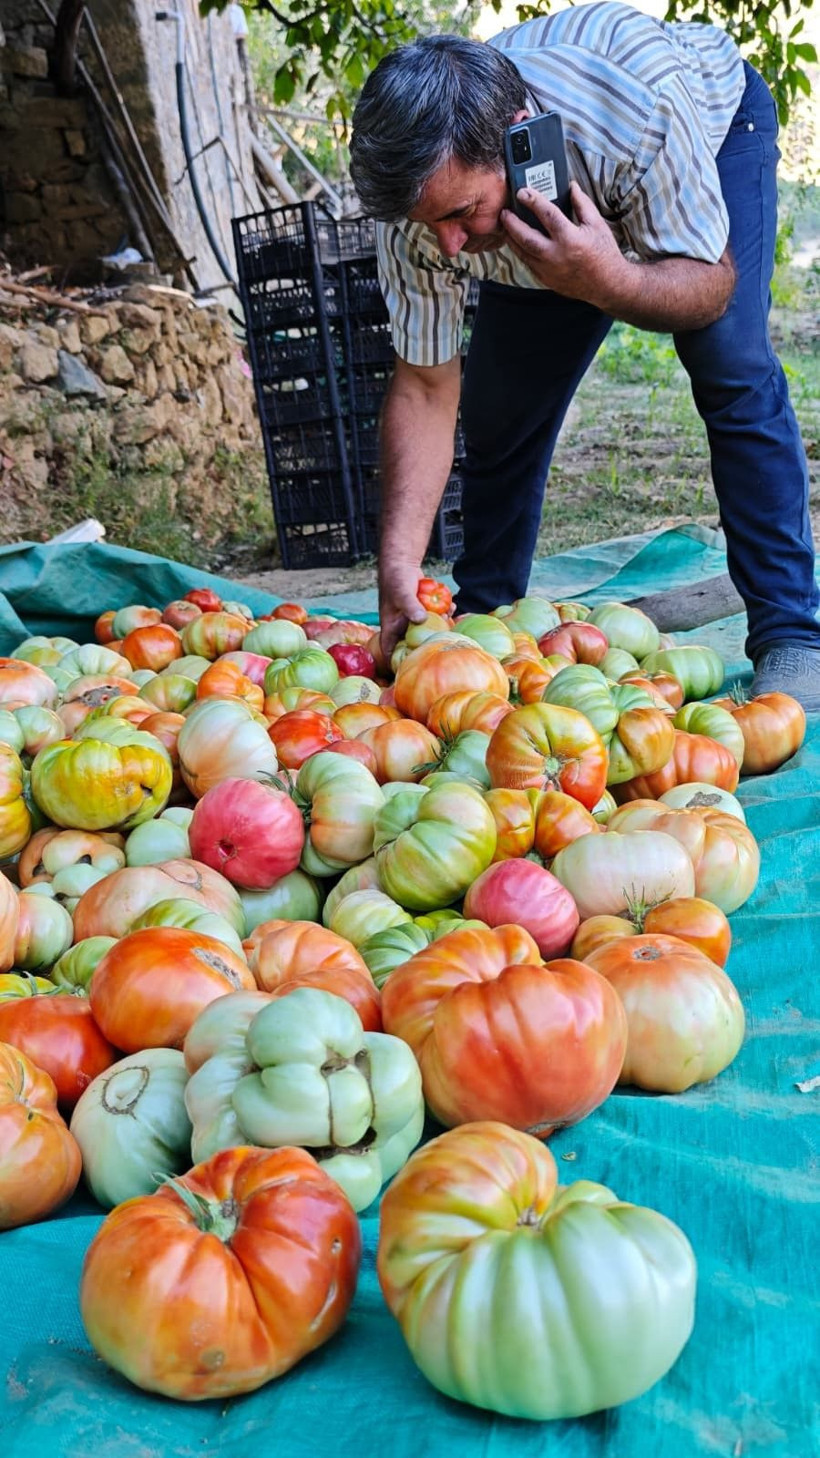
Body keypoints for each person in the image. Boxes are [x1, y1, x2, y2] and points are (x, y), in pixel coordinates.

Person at [349, 1, 820, 709]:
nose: (446, 245)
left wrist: (605, 278)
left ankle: (792, 632)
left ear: (514, 142)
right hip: (555, 222)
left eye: (458, 216)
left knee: (732, 367)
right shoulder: (423, 201)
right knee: (499, 412)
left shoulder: (634, 108)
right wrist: (398, 565)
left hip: (716, 133)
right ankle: (487, 619)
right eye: (430, 223)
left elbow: (710, 286)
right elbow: (424, 387)